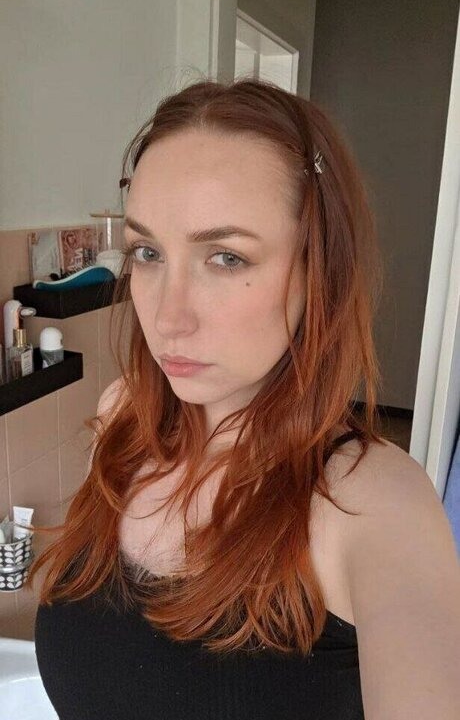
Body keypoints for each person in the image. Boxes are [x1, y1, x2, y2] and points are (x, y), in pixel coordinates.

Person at [28, 78, 460, 720]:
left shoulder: (373, 503)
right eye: (147, 252)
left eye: (226, 258)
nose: (167, 318)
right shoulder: (123, 419)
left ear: (319, 269)